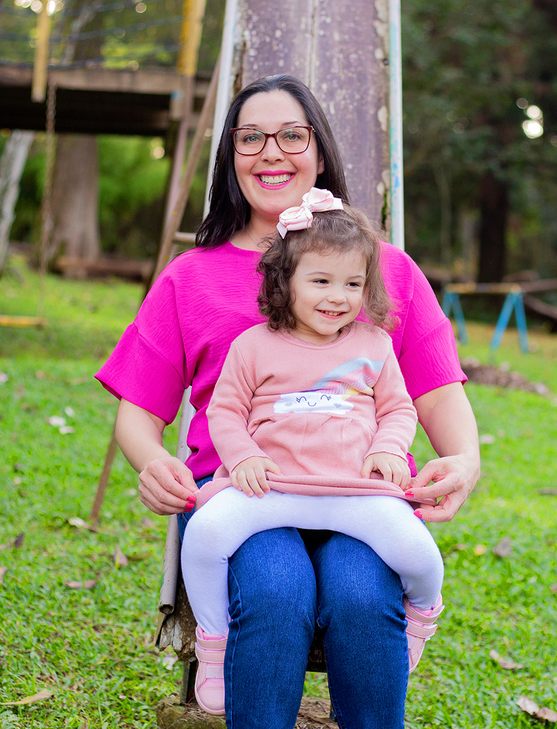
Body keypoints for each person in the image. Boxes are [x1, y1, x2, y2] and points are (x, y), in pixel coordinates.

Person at [96, 73, 481, 729]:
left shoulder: (384, 269)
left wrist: (464, 459)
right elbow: (139, 410)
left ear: (320, 152)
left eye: (290, 135)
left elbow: (437, 389)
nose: (271, 151)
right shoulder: (190, 276)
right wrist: (149, 460)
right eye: (251, 137)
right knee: (277, 592)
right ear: (231, 159)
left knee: (363, 594)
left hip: (360, 491)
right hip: (246, 494)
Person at [180, 195, 446, 715]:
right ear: (285, 282)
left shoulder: (373, 344)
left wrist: (389, 447)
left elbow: (398, 409)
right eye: (321, 281)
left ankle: (422, 617)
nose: (338, 297)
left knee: (420, 555)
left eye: (352, 284)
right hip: (273, 490)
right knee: (205, 534)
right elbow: (226, 413)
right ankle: (214, 645)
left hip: (353, 492)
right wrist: (244, 457)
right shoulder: (255, 346)